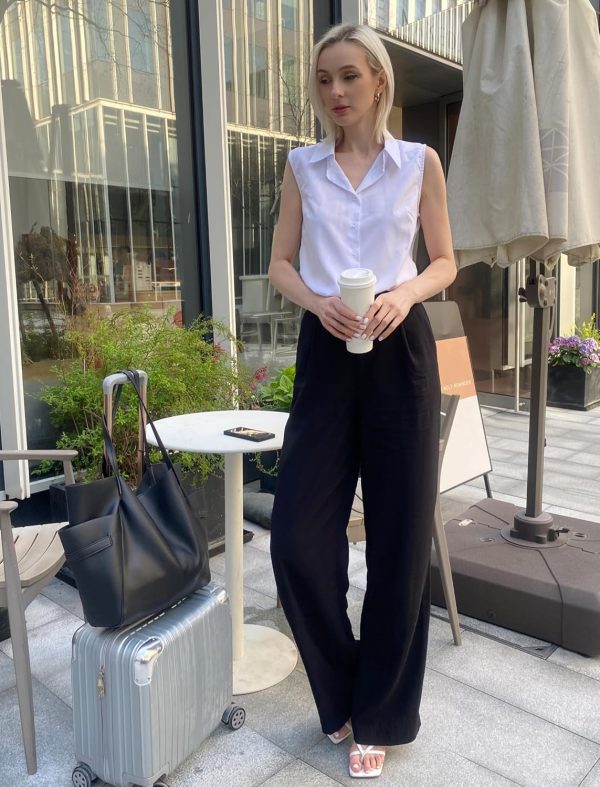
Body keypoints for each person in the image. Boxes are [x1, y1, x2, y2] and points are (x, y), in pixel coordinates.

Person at [268, 23, 457, 780]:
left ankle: (377, 712)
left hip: (398, 352)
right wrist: (317, 303)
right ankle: (343, 680)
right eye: (323, 80)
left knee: (399, 541)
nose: (335, 92)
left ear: (379, 80)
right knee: (296, 538)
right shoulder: (302, 166)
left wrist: (403, 295)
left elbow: (445, 260)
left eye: (349, 76)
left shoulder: (419, 163)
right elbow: (279, 265)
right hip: (326, 352)